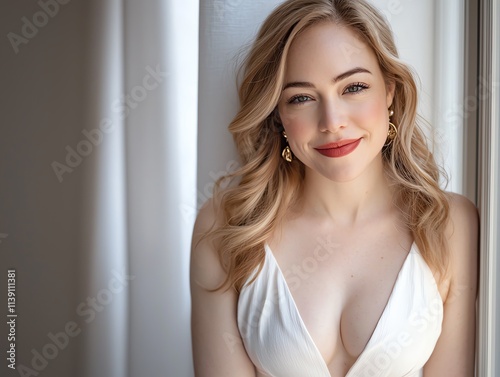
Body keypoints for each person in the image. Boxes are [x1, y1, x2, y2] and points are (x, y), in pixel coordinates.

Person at [190, 0, 478, 376]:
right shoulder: (226, 227)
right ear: (277, 113)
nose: (332, 122)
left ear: (390, 90)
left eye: (353, 87)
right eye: (302, 98)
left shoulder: (450, 223)